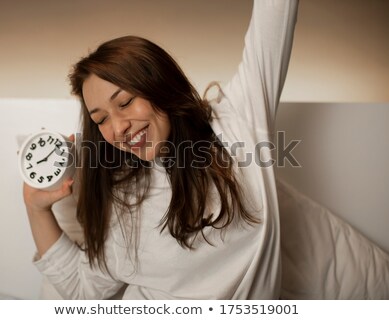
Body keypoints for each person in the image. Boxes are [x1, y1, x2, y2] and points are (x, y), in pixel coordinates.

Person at [23, 0, 299, 299]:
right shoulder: (124, 201)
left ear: (159, 86)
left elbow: (276, 13)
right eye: (101, 119)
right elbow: (81, 290)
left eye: (125, 102)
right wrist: (36, 208)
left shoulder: (238, 121)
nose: (117, 129)